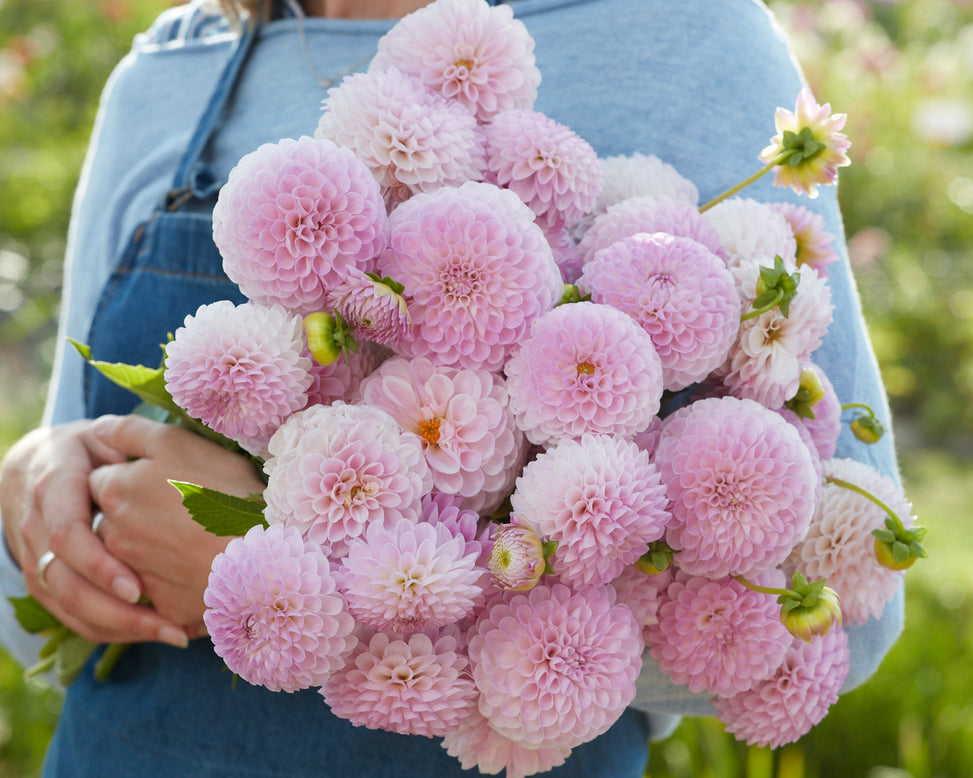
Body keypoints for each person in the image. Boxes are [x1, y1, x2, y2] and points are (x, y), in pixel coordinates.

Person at [0, 0, 904, 775]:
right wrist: (47, 480)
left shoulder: (682, 38)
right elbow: (30, 611)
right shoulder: (172, 68)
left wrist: (282, 588)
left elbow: (840, 627)